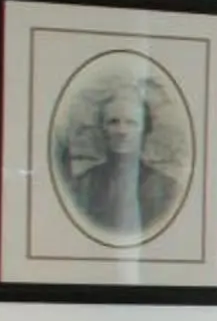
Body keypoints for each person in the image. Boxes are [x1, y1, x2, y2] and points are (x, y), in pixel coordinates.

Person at [58, 68, 184, 245]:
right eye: (113, 122)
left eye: (131, 123)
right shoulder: (82, 187)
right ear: (102, 129)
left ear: (145, 130)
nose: (122, 131)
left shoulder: (166, 189)